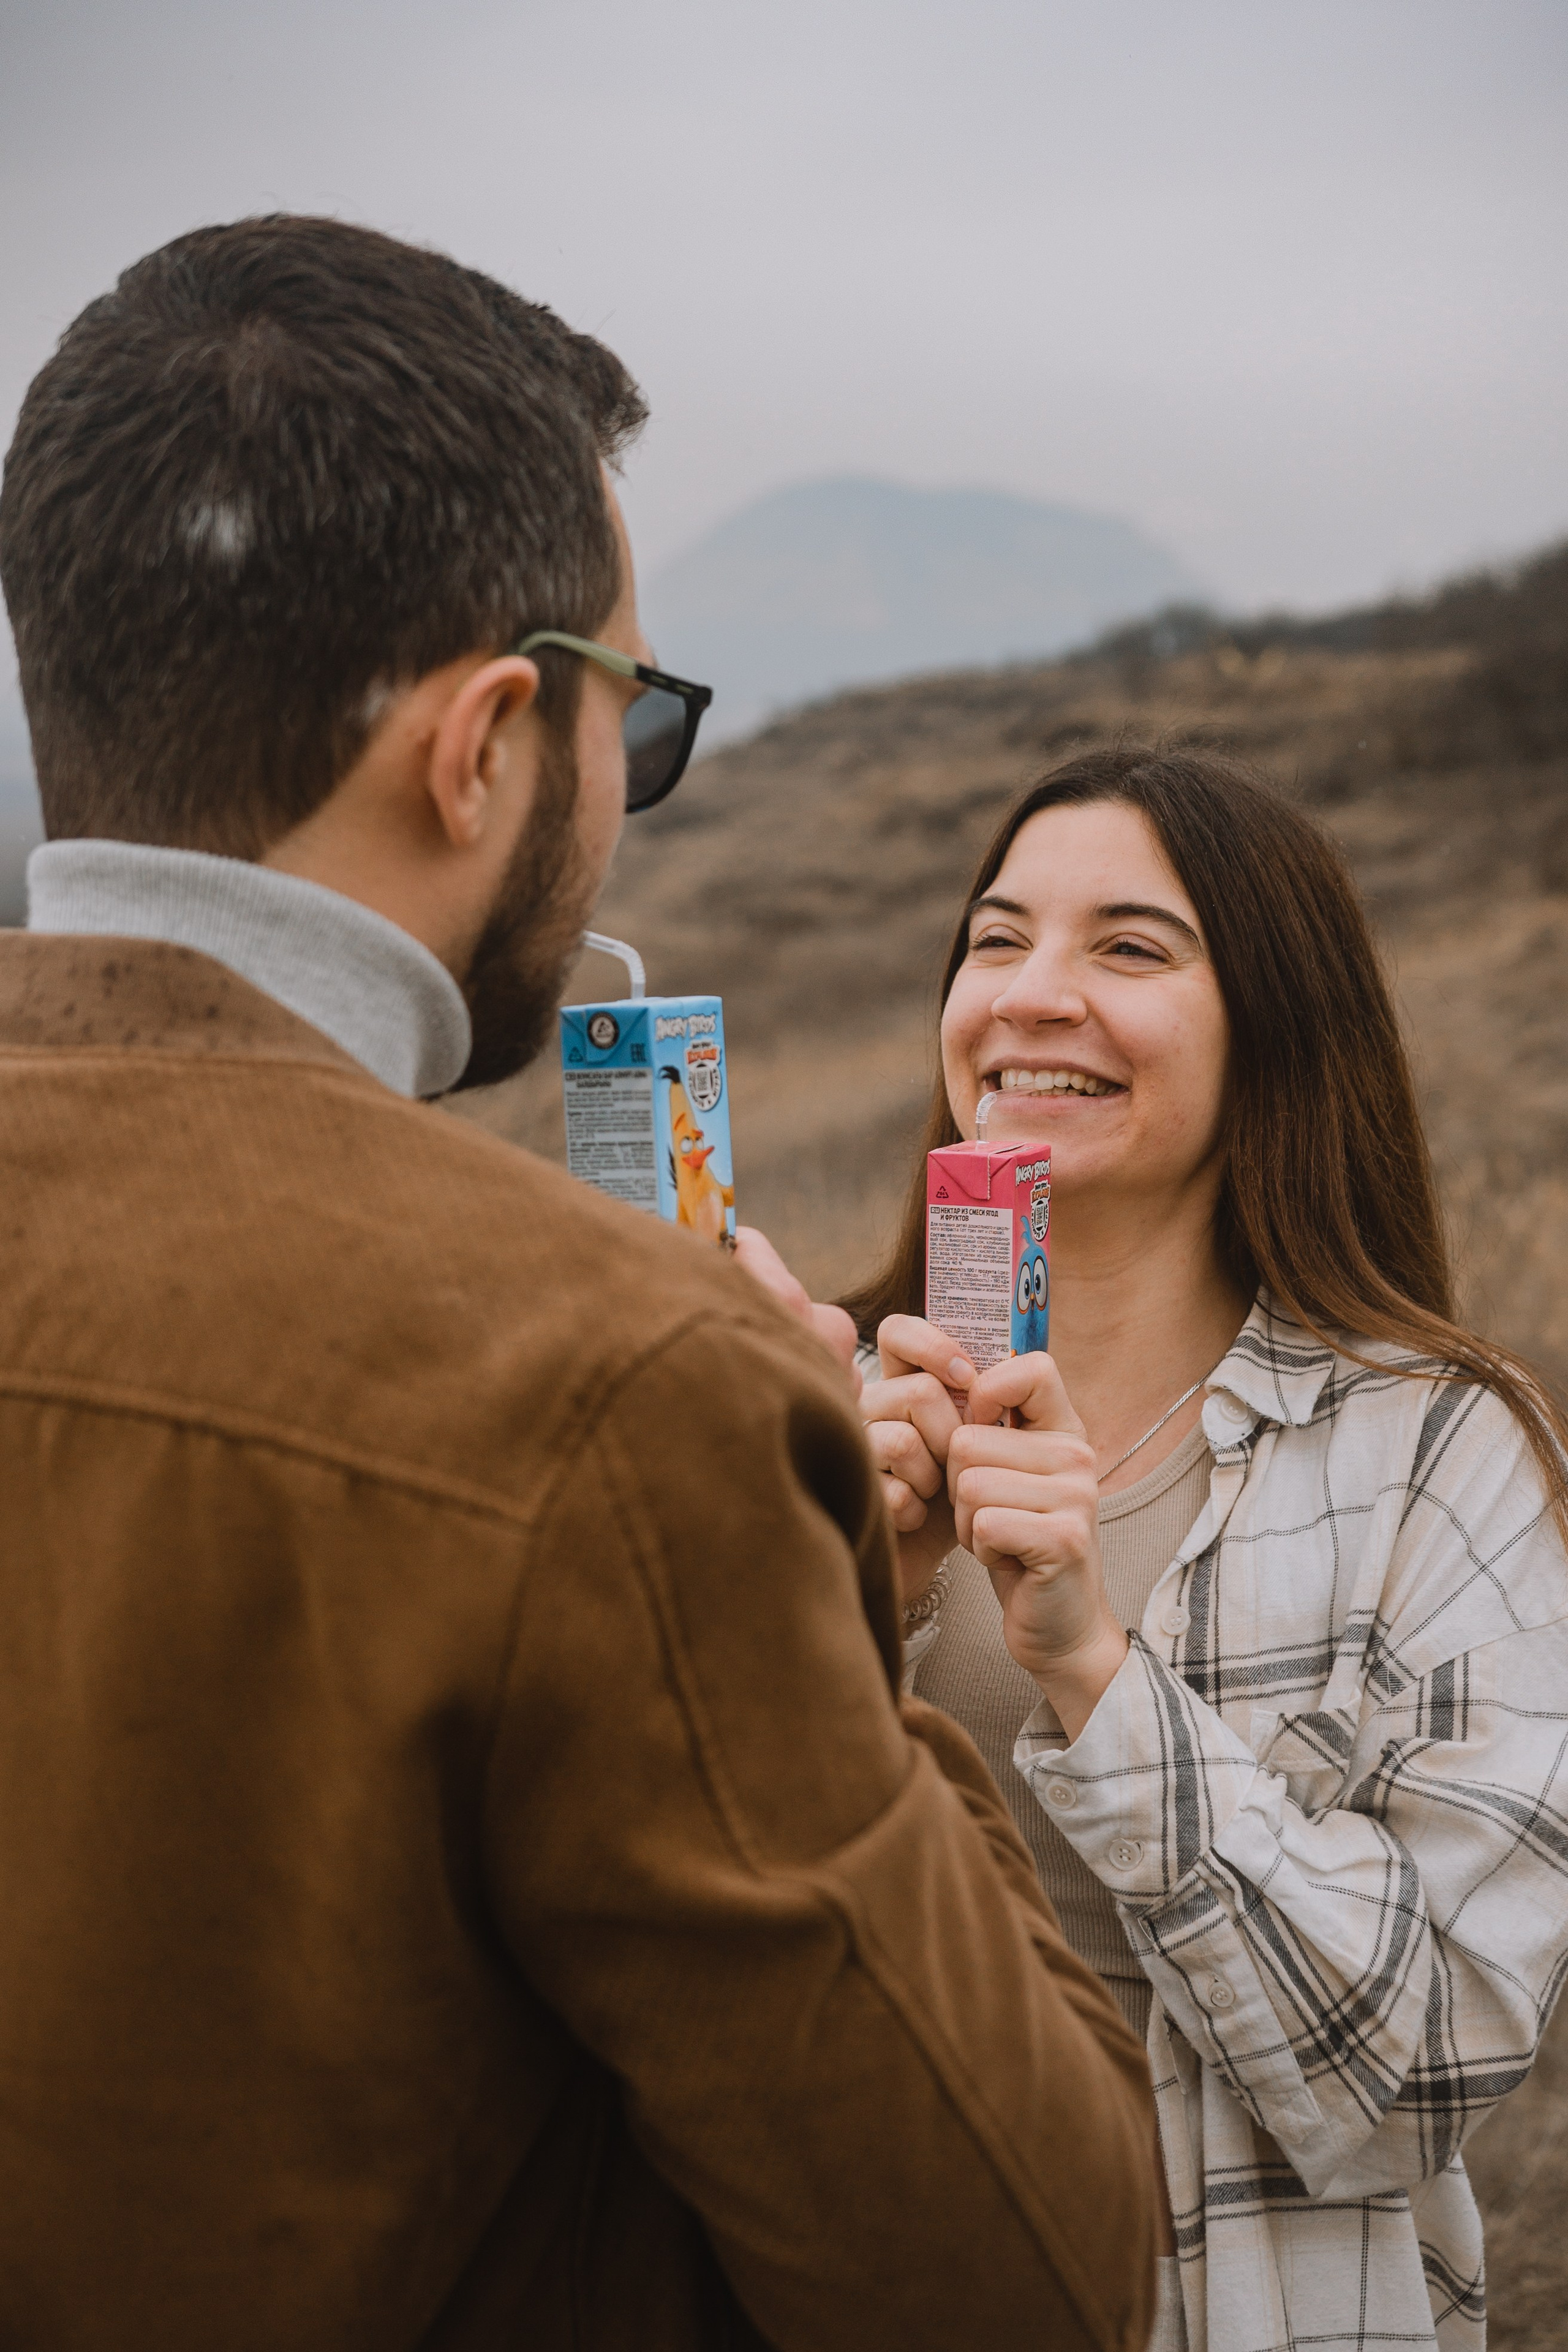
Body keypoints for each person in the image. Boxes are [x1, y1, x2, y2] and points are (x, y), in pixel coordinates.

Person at [0, 220, 1159, 2349]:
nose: (626, 798)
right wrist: (816, 1579)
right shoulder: (624, 1393)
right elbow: (1024, 2282)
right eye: (642, 718)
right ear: (486, 745)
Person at [847, 746, 1568, 2352]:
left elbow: (1426, 2065)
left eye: (1129, 947)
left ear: (1276, 1030)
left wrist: (1096, 1676)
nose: (1034, 994)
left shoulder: (1442, 1454)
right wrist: (848, 1606)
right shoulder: (823, 1400)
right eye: (996, 938)